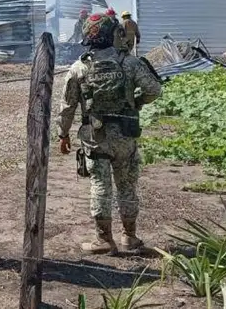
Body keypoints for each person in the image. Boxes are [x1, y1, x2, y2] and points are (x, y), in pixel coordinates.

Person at [57, 13, 162, 254]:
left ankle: (104, 239)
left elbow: (67, 107)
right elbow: (154, 89)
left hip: (96, 136)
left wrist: (63, 135)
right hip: (125, 133)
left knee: (99, 184)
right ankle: (130, 237)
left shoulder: (79, 67)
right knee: (126, 185)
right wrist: (137, 102)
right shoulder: (129, 63)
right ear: (113, 34)